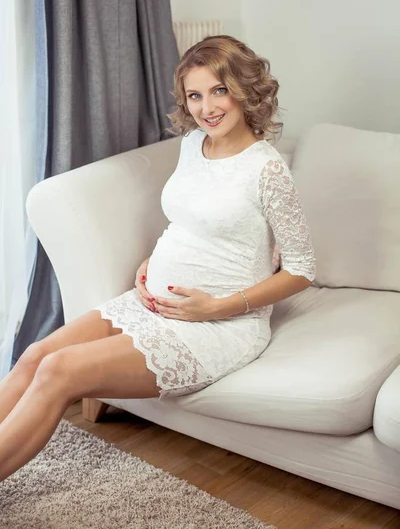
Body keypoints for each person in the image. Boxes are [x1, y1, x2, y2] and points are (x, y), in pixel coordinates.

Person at [0, 35, 315, 482]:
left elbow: (303, 268)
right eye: (195, 95)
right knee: (35, 354)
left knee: (58, 370)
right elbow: (190, 219)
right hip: (149, 302)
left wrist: (220, 306)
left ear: (246, 89)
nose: (207, 107)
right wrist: (154, 260)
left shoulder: (267, 170)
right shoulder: (192, 144)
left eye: (219, 90)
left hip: (215, 327)